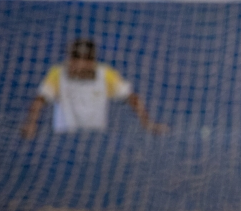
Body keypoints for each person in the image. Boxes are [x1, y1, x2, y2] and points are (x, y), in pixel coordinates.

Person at [21, 38, 167, 138]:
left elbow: (132, 98)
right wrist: (31, 124)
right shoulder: (57, 74)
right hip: (64, 137)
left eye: (82, 59)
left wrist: (148, 123)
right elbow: (39, 101)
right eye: (73, 58)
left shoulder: (106, 74)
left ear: (91, 61)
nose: (76, 63)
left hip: (94, 137)